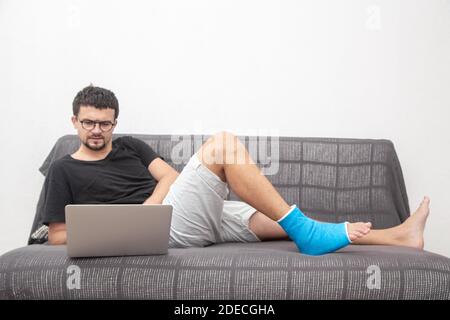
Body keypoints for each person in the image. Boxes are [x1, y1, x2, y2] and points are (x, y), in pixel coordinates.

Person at [43, 85, 430, 255]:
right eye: (89, 122)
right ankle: (311, 235)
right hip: (161, 231)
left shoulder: (129, 147)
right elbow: (58, 237)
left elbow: (170, 177)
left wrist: (150, 208)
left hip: (178, 213)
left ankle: (399, 237)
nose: (98, 130)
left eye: (105, 123)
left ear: (115, 123)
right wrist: (129, 224)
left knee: (280, 220)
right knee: (223, 144)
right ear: (75, 122)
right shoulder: (63, 169)